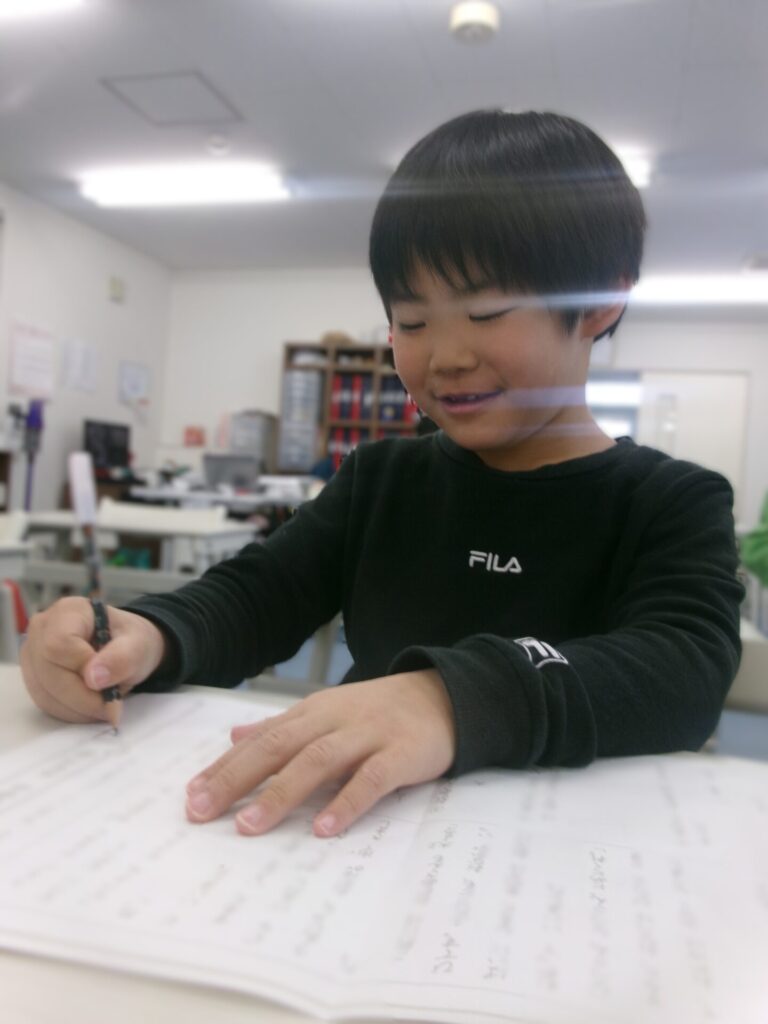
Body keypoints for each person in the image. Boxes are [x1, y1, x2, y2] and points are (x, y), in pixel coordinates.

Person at [21, 110, 743, 840]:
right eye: (413, 321)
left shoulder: (672, 501)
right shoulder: (381, 480)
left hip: (559, 850)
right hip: (359, 838)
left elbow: (682, 673)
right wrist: (147, 633)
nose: (446, 357)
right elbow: (258, 597)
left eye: (487, 311)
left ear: (600, 300)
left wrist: (449, 699)